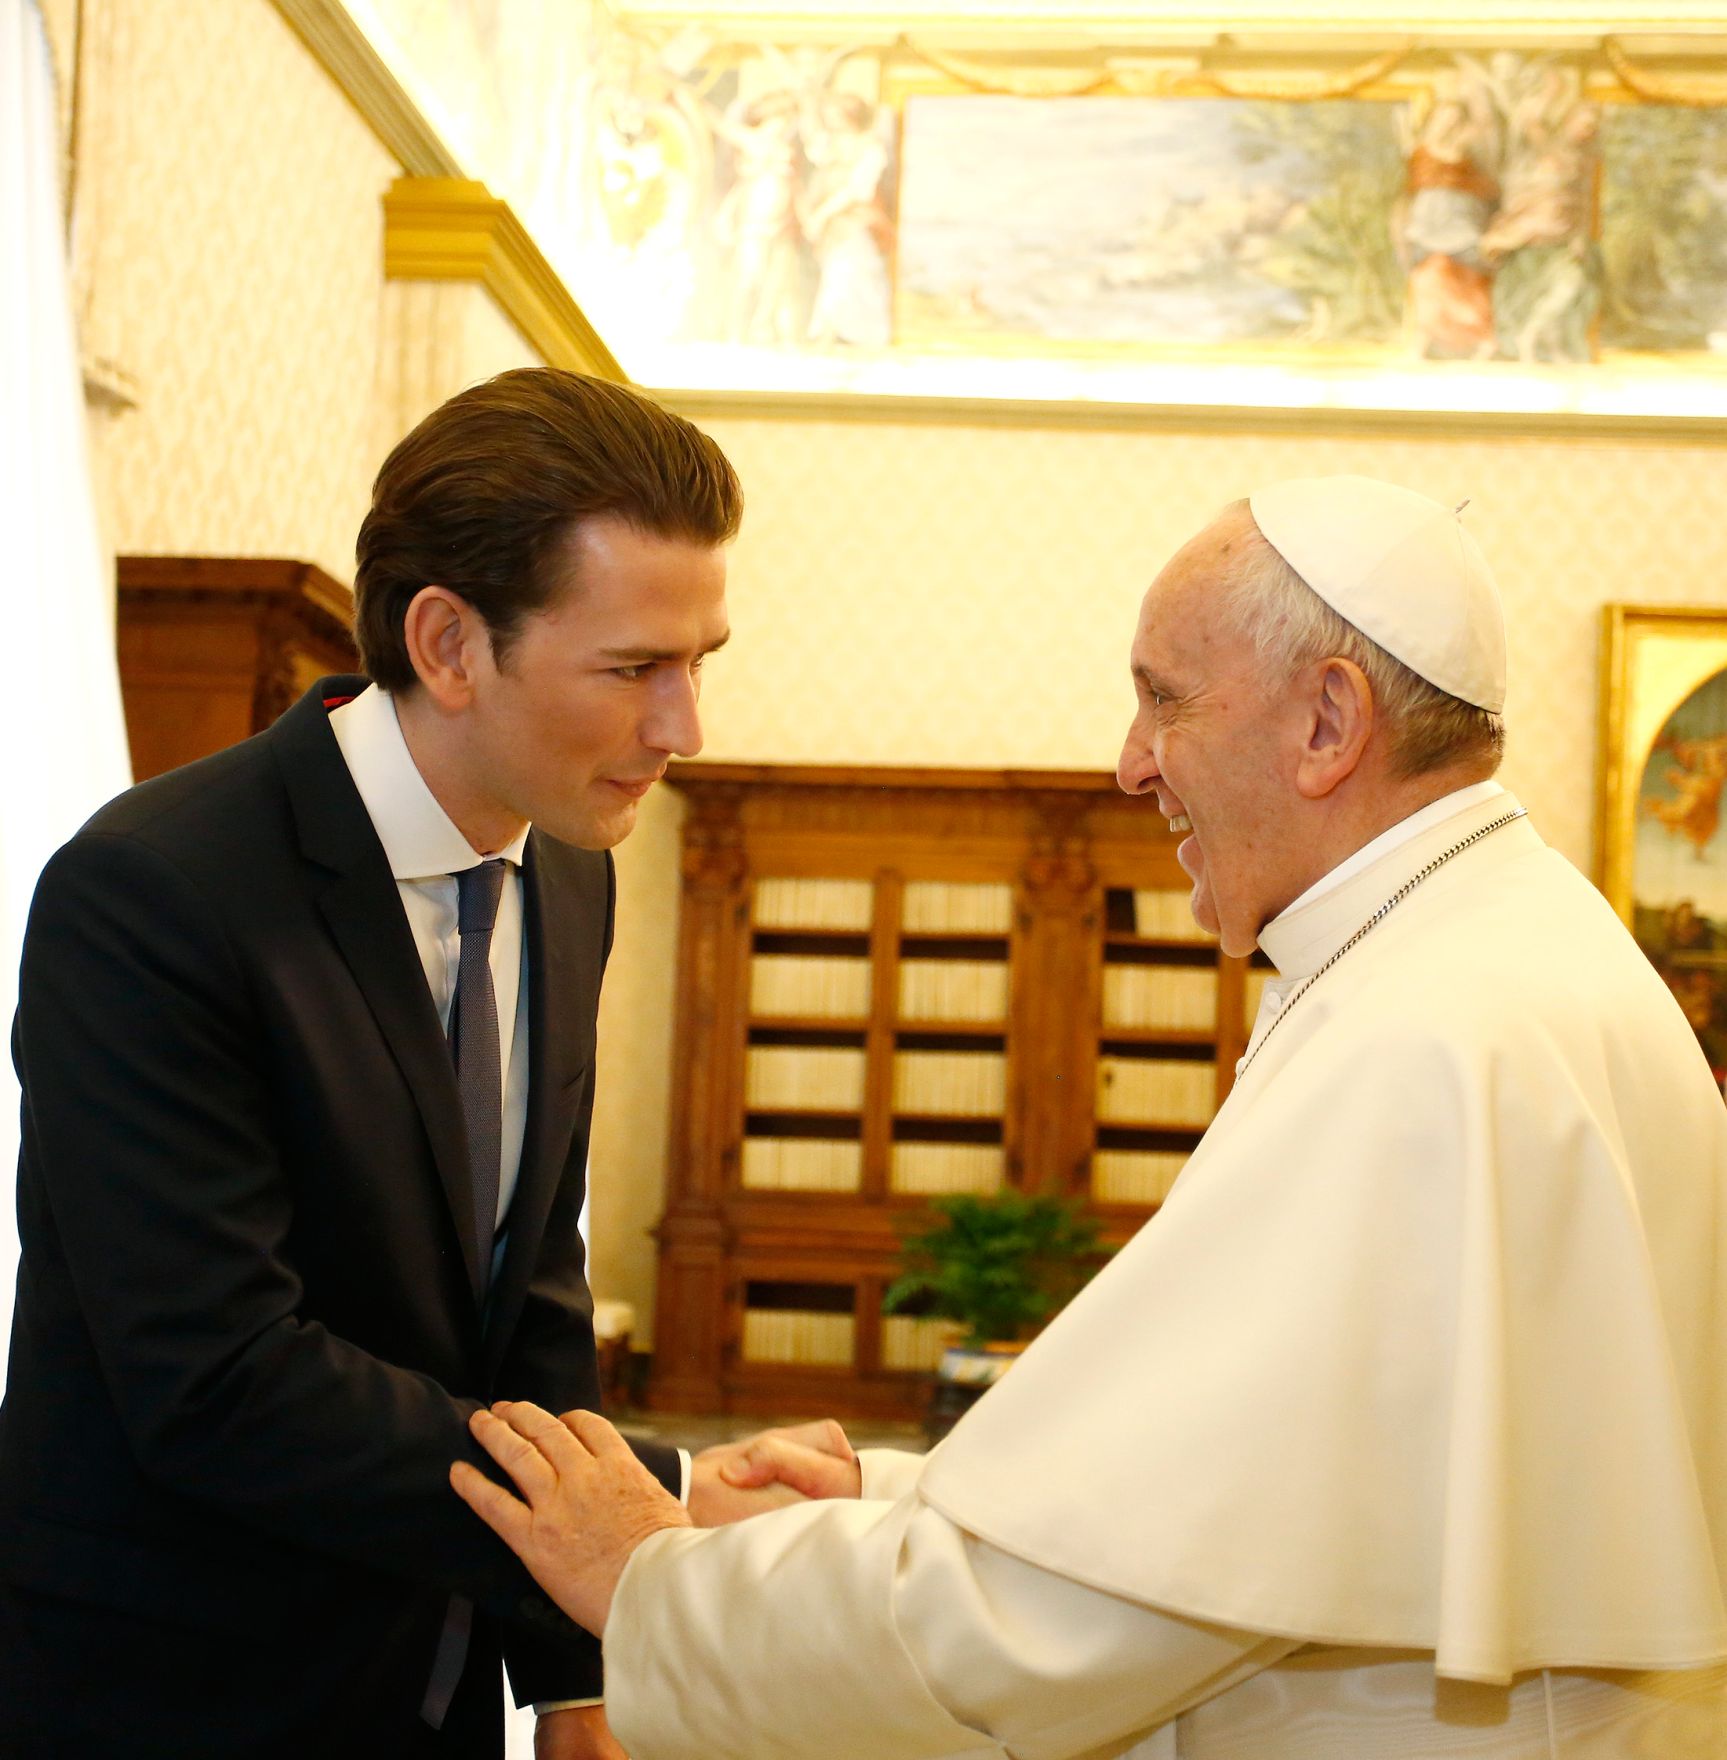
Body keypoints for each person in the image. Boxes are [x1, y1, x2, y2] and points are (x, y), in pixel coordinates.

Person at [452, 475, 1727, 1758]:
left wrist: (651, 1579)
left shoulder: (1420, 1037)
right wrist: (894, 1503)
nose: (1130, 761)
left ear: (1326, 720)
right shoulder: (1502, 945)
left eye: (1164, 698)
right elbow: (1228, 1506)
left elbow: (1073, 1616)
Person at [0, 368, 841, 1760]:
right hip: (179, 1691)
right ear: (448, 643)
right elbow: (217, 1375)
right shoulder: (154, 891)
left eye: (700, 662)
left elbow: (527, 1293)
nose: (683, 728)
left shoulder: (568, 870)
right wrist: (667, 1492)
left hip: (433, 1686)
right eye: (632, 668)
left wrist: (578, 1662)